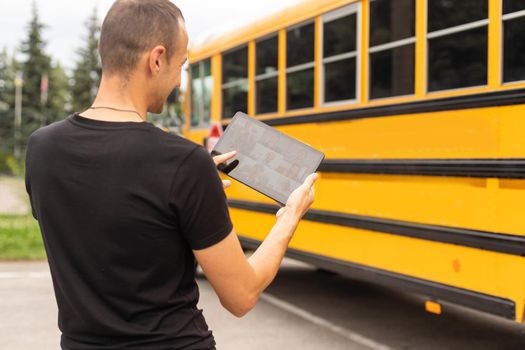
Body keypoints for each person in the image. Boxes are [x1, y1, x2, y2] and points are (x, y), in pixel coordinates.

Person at [24, 0, 318, 349]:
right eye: (181, 65)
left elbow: (106, 203)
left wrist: (184, 181)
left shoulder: (42, 149)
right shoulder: (182, 164)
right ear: (157, 59)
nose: (179, 81)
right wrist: (290, 216)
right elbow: (241, 295)